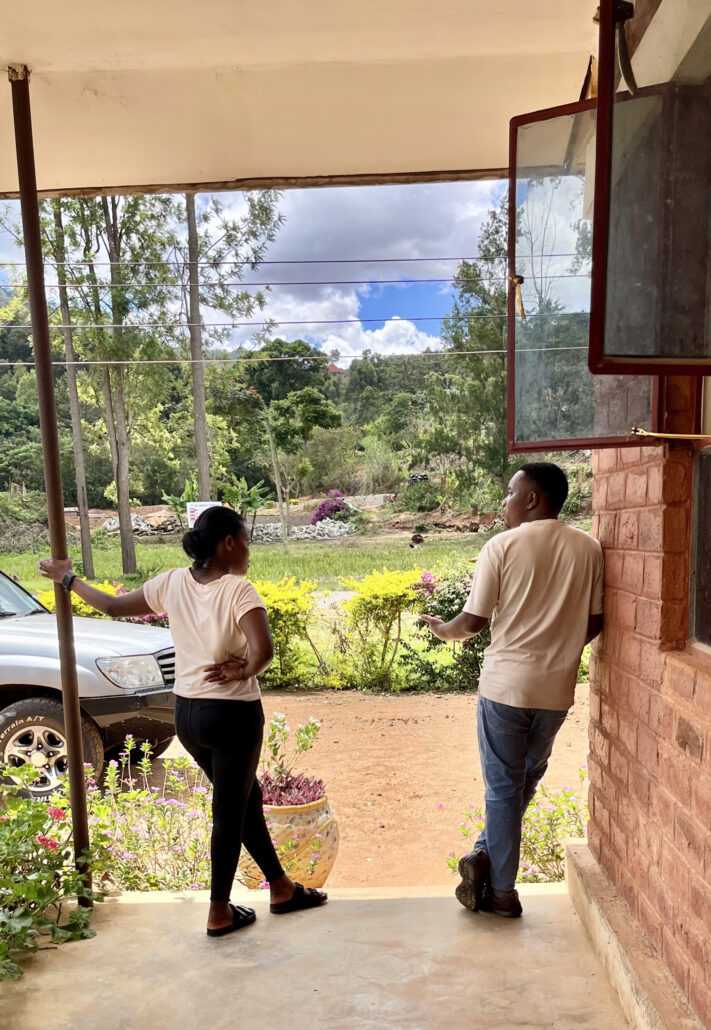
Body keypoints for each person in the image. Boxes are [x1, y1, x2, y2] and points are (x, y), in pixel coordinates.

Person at [39, 506, 327, 936]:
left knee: (246, 798)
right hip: (231, 714)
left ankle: (282, 888)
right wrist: (245, 670)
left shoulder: (172, 582)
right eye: (246, 541)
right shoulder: (239, 590)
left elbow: (114, 607)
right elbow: (263, 650)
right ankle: (219, 912)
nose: (249, 551)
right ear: (227, 543)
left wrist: (68, 578)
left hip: (188, 715)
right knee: (229, 812)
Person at [421, 462, 603, 919]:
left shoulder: (501, 546)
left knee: (504, 787)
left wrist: (441, 631)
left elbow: (473, 621)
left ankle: (502, 892)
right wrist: (558, 650)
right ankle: (484, 854)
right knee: (525, 779)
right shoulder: (589, 548)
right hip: (555, 690)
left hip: (505, 687)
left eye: (510, 492)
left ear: (532, 498)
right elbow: (595, 621)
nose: (504, 502)